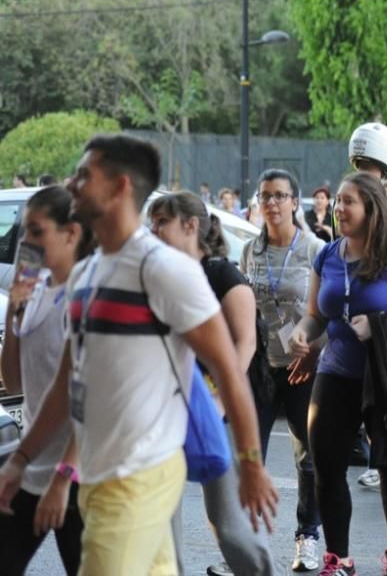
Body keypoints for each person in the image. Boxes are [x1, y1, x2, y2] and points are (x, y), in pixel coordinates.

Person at [0, 135, 277, 574]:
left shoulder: (166, 271)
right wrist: (21, 458)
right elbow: (68, 385)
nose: (72, 183)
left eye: (84, 175)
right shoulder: (87, 273)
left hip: (137, 483)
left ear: (119, 188)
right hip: (95, 477)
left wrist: (251, 466)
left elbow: (229, 368)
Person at [289, 172, 387, 576]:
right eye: (337, 201)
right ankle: (337, 558)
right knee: (326, 463)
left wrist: (379, 324)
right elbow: (315, 316)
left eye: (349, 202)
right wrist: (302, 337)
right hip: (338, 369)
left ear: (371, 208)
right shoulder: (328, 255)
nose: (339, 209)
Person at [149, 192, 278, 576]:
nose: (152, 231)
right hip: (169, 409)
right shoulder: (159, 276)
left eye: (161, 222)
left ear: (191, 226)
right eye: (151, 222)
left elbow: (245, 345)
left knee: (228, 520)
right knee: (160, 518)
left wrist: (219, 401)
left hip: (218, 408)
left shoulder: (224, 275)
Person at [0, 186, 92, 574]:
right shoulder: (37, 292)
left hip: (82, 472)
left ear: (70, 233)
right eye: (24, 232)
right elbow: (14, 380)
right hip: (37, 464)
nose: (26, 242)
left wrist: (63, 479)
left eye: (37, 232)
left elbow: (92, 399)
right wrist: (14, 313)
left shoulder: (87, 295)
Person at [240, 169, 325, 572]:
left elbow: (328, 314)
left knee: (307, 458)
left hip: (301, 368)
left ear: (296, 201)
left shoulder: (315, 249)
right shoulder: (249, 252)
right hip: (259, 367)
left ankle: (308, 535)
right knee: (248, 456)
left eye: (279, 196)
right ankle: (244, 544)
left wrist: (313, 348)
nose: (271, 204)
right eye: (265, 197)